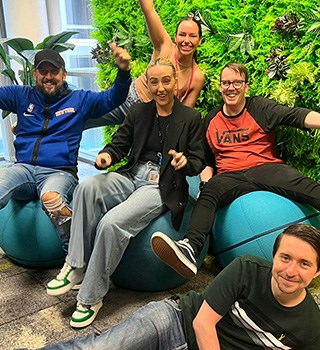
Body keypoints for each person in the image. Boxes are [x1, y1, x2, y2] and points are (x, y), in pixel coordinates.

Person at [45, 58, 205, 328]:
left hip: (161, 183)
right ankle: (76, 265)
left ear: (176, 82)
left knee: (111, 222)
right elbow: (120, 142)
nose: (160, 87)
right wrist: (108, 154)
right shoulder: (139, 112)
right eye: (154, 82)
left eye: (166, 80)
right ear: (148, 84)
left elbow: (199, 159)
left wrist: (185, 163)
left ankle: (91, 297)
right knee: (87, 187)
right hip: (132, 174)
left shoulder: (191, 118)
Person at [151, 61, 320, 279]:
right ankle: (190, 249)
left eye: (237, 82)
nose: (231, 88)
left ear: (246, 86)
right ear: (220, 87)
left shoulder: (259, 108)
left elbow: (296, 116)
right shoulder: (211, 120)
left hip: (265, 168)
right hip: (230, 176)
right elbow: (206, 161)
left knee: (311, 190)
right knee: (209, 193)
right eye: (226, 83)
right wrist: (205, 186)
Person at [39, 223, 320, 349]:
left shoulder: (311, 326)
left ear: (317, 272)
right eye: (285, 258)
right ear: (274, 257)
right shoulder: (247, 268)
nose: (291, 271)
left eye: (304, 264)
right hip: (174, 322)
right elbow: (202, 324)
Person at [0, 44, 131, 253]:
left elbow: (112, 98)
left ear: (64, 74)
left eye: (54, 71)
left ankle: (77, 259)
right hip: (23, 170)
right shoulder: (21, 95)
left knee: (51, 199)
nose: (48, 77)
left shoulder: (79, 100)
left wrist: (123, 73)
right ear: (35, 74)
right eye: (43, 71)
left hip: (59, 172)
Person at [84, 0, 204, 129]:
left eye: (192, 36)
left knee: (129, 148)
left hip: (149, 120)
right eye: (182, 35)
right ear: (175, 37)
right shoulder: (165, 46)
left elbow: (183, 117)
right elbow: (149, 10)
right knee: (83, 117)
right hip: (127, 100)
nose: (186, 40)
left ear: (200, 40)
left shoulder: (196, 77)